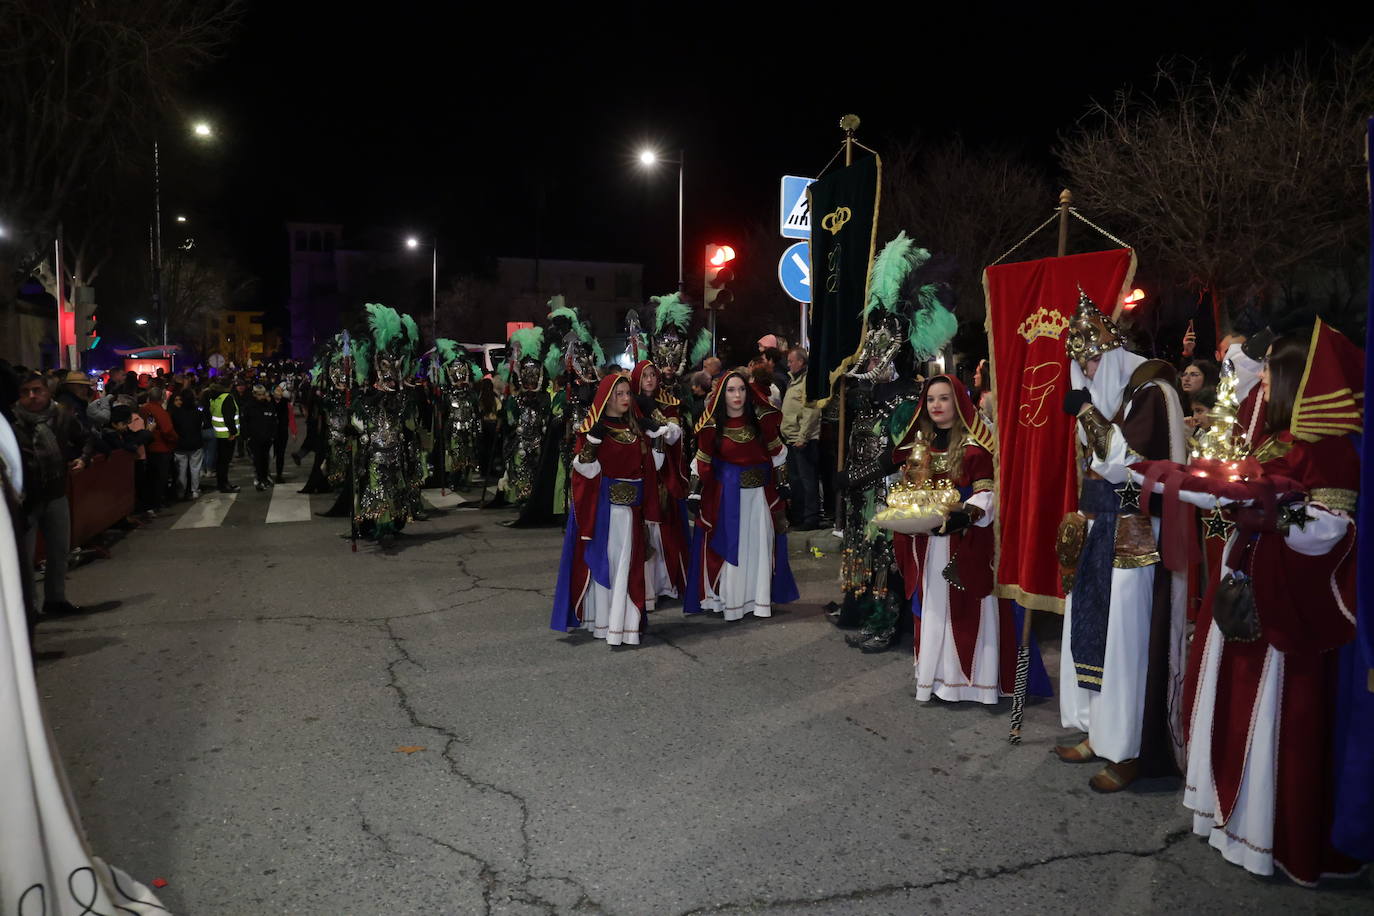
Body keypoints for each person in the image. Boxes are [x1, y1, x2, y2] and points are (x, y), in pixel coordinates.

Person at [1175, 321, 1366, 885]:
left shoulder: (1326, 447)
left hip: (1286, 600)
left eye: (1271, 376)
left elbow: (1333, 528)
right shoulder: (1277, 440)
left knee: (1272, 713)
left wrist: (1267, 513)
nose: (1259, 387)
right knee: (1229, 698)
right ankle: (1224, 814)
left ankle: (1264, 834)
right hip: (1247, 576)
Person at [1055, 290, 1188, 793]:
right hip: (1100, 529)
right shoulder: (1122, 396)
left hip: (1134, 536)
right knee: (1092, 634)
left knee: (1126, 643)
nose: (1086, 369)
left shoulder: (1152, 393)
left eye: (1092, 359)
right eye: (1080, 362)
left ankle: (1128, 747)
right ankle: (1097, 730)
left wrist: (1087, 411)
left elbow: (1121, 459)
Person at [889, 375, 1012, 704]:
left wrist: (966, 515)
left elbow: (989, 494)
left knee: (964, 609)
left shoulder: (975, 449)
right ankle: (934, 678)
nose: (937, 406)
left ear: (958, 403)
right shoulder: (920, 448)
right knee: (933, 610)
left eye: (944, 398)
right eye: (931, 400)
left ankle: (972, 685)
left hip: (964, 545)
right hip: (928, 544)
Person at [550, 373, 663, 645]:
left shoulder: (635, 429)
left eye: (628, 394)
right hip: (606, 512)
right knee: (609, 566)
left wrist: (656, 435)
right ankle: (605, 623)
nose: (625, 399)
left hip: (632, 512)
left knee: (628, 567)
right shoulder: (594, 428)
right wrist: (593, 442)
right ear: (607, 398)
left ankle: (625, 624)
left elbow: (651, 469)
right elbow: (583, 469)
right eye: (619, 394)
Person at [684, 370, 798, 620]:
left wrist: (783, 483)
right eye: (731, 390)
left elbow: (778, 454)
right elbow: (701, 462)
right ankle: (731, 601)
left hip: (759, 497)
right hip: (726, 500)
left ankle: (758, 601)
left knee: (759, 546)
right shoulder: (711, 426)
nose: (737, 395)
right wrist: (694, 493)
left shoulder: (762, 422)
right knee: (732, 547)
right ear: (722, 394)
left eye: (742, 389)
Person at [11, 372, 94, 628]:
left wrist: (83, 458)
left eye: (36, 390)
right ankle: (28, 608)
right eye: (26, 392)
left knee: (59, 550)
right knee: (24, 558)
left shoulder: (61, 416)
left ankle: (56, 599)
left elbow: (87, 438)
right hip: (24, 498)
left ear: (47, 392)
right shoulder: (11, 421)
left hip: (55, 492)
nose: (32, 397)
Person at [631, 359, 688, 606]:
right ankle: (644, 587)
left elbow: (676, 436)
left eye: (653, 375)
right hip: (640, 471)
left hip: (663, 473)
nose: (650, 380)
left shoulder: (668, 403)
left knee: (662, 523)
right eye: (645, 376)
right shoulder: (629, 403)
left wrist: (667, 430)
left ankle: (665, 582)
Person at [780, 347, 821, 530]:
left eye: (791, 361)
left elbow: (811, 411)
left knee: (807, 480)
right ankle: (798, 516)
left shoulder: (807, 382)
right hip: (791, 438)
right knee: (795, 480)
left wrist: (803, 437)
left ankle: (810, 517)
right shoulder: (793, 381)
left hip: (803, 439)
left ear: (801, 362)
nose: (788, 364)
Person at [140, 386, 178, 511]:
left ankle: (150, 502)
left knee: (151, 477)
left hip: (147, 448)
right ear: (162, 398)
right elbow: (168, 430)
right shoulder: (160, 412)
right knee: (160, 478)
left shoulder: (143, 409)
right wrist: (175, 439)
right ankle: (157, 502)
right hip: (161, 448)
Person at [168, 389, 205, 499]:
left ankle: (181, 491)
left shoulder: (175, 413)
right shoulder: (198, 412)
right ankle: (195, 490)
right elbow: (201, 426)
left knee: (181, 470)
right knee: (195, 468)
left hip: (180, 444)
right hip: (195, 443)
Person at [207, 380, 240, 493]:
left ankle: (221, 483)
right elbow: (229, 417)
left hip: (218, 433)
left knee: (221, 461)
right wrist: (233, 432)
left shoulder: (214, 398)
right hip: (227, 435)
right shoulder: (227, 398)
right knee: (225, 462)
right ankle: (224, 484)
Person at [271, 382, 295, 484]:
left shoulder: (286, 403)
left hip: (282, 432)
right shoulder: (268, 403)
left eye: (280, 390)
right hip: (270, 433)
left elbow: (291, 418)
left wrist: (294, 431)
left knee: (280, 455)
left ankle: (279, 475)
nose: (279, 392)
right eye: (277, 390)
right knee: (270, 455)